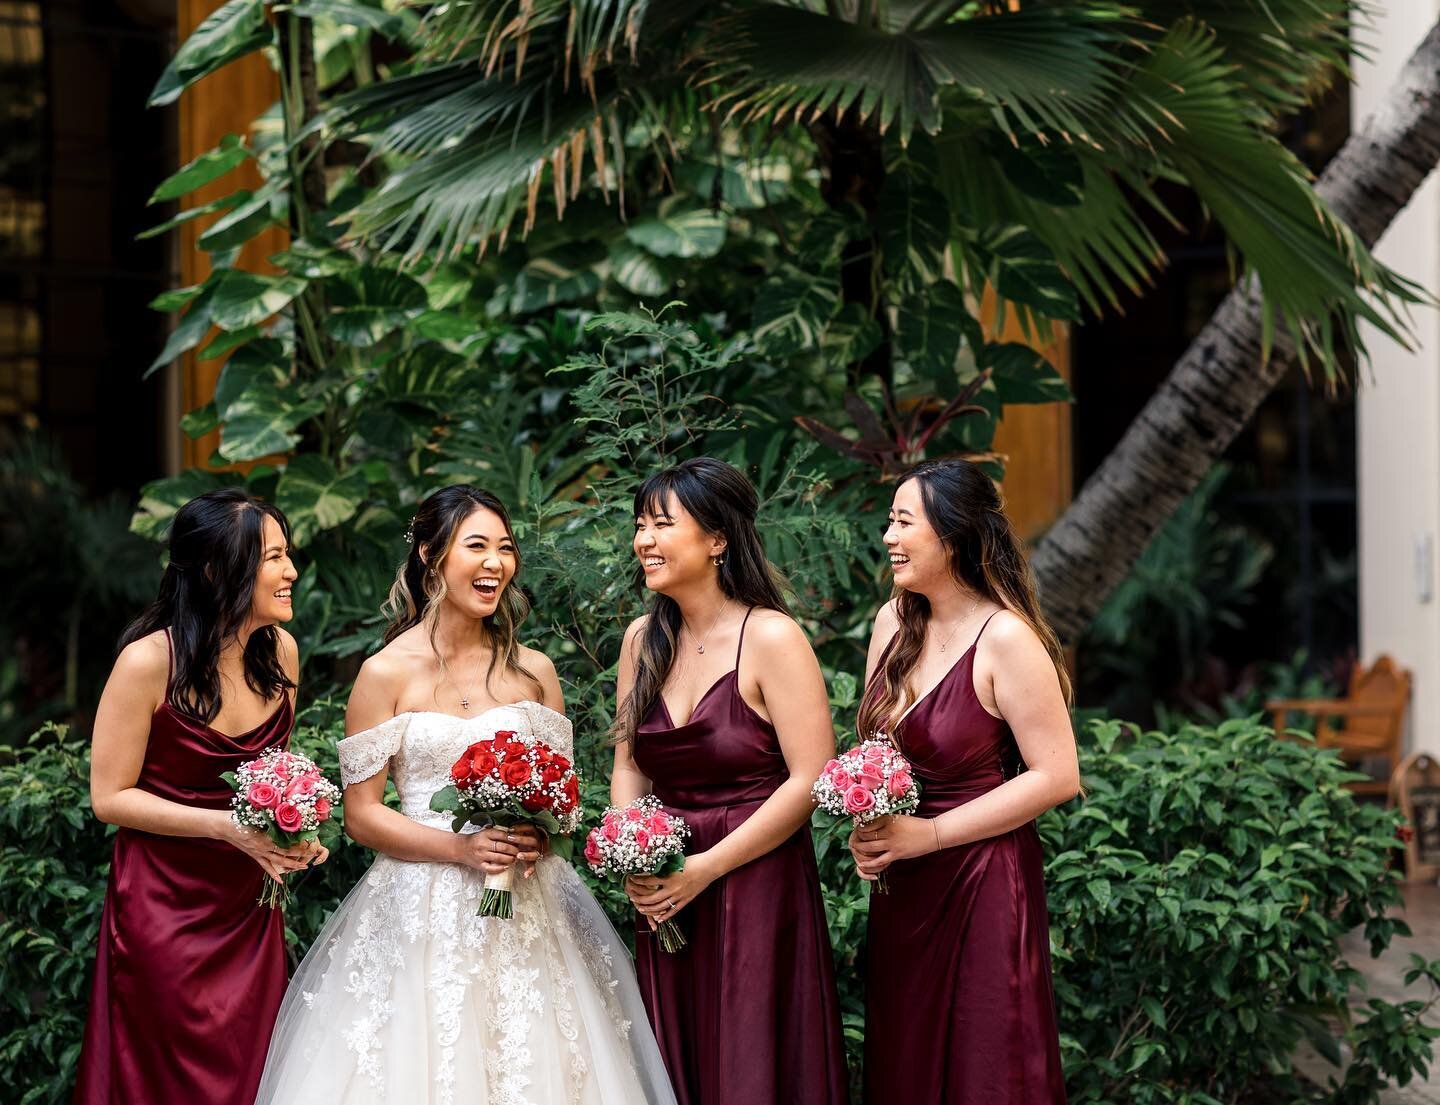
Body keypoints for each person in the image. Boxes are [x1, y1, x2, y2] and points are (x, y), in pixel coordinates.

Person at [254, 484, 676, 1105]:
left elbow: (564, 804)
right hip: (419, 911)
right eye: (475, 545)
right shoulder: (384, 673)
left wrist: (539, 832)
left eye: (505, 548)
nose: (495, 563)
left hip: (529, 906)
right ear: (430, 554)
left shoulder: (534, 672)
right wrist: (461, 850)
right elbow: (363, 816)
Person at [74, 488, 322, 1105]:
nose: (291, 571)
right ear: (216, 570)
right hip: (164, 908)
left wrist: (296, 836)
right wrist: (226, 828)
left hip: (249, 907)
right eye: (272, 558)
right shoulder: (146, 663)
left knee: (255, 1067)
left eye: (287, 555)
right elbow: (109, 797)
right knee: (164, 1077)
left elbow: (268, 780)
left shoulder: (283, 655)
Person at [611, 457, 847, 1105]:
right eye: (639, 525)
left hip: (755, 885)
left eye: (661, 524)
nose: (644, 540)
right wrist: (636, 852)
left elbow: (810, 779)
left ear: (717, 539)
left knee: (751, 1063)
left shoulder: (771, 637)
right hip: (666, 887)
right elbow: (630, 765)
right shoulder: (642, 640)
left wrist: (706, 867)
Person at [850, 459, 1079, 1105]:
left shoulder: (1006, 638)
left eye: (903, 521)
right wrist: (868, 823)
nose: (888, 535)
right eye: (889, 520)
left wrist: (933, 832)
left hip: (982, 879)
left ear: (952, 535)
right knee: (906, 1057)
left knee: (987, 1061)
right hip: (905, 882)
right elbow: (874, 751)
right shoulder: (892, 622)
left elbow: (1058, 774)